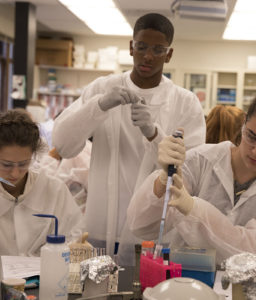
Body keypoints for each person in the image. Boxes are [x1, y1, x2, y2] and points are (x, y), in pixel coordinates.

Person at [52, 13, 206, 264]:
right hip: (101, 227)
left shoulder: (185, 103)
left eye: (158, 50)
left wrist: (154, 134)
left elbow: (190, 174)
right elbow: (64, 145)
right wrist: (99, 106)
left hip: (155, 235)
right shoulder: (102, 88)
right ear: (131, 47)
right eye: (142, 47)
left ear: (169, 54)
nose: (148, 56)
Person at [127, 86, 256, 265]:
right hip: (185, 283)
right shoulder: (201, 160)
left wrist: (194, 209)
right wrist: (162, 181)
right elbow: (141, 226)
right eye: (251, 136)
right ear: (244, 122)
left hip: (244, 291)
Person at [0, 109, 85, 256]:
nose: (15, 173)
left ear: (33, 155)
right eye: (6, 165)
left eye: (23, 164)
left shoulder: (53, 190)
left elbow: (74, 236)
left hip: (45, 276)